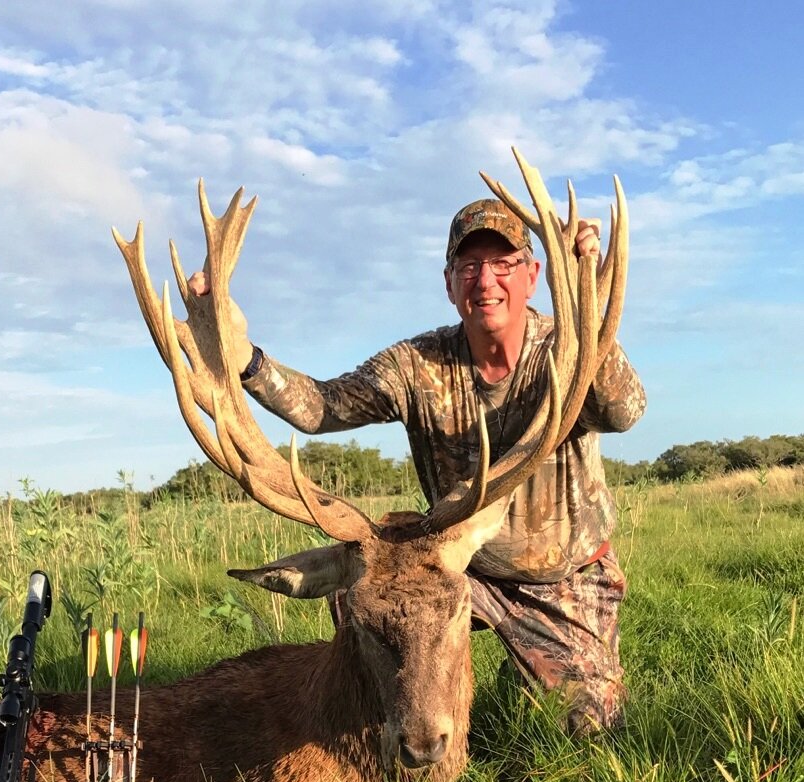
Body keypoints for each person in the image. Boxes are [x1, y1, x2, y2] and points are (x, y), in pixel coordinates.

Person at [187, 198, 646, 736]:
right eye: (470, 266)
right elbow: (322, 406)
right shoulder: (417, 363)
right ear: (449, 283)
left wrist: (587, 296)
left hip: (563, 577)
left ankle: (508, 681)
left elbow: (624, 411)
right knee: (368, 595)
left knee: (587, 727)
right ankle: (387, 725)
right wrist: (245, 358)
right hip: (457, 566)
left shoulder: (562, 350)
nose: (486, 280)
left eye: (503, 264)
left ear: (533, 274)